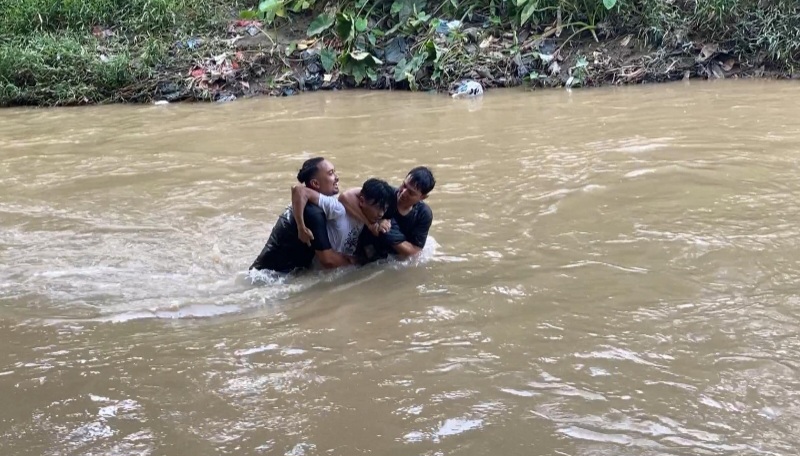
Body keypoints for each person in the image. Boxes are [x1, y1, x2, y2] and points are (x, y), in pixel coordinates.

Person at [249, 157, 355, 274]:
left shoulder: (307, 203)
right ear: (315, 183)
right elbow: (328, 260)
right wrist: (360, 264)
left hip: (269, 273)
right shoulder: (314, 213)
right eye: (330, 173)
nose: (336, 177)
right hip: (270, 278)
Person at [341, 166, 436, 264]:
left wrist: (387, 232)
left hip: (390, 257)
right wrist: (371, 223)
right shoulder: (387, 193)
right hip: (365, 248)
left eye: (411, 193)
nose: (403, 193)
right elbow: (346, 197)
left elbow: (415, 252)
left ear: (423, 197)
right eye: (404, 185)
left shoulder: (423, 214)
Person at [290, 178, 396, 258]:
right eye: (377, 208)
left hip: (341, 268)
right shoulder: (338, 210)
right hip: (320, 271)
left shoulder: (370, 217)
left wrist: (382, 221)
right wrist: (301, 227)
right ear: (362, 201)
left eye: (384, 209)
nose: (381, 213)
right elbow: (299, 190)